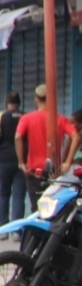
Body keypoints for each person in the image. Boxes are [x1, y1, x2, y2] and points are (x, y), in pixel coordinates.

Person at [16, 84, 82, 210]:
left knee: (37, 209)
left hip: (34, 171)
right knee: (54, 208)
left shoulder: (27, 118)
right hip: (54, 172)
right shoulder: (61, 119)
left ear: (36, 99)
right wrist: (67, 162)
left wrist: (21, 163)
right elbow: (76, 136)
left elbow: (18, 137)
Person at [0, 92, 27, 231]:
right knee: (19, 195)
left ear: (6, 103)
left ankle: (3, 229)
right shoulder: (25, 117)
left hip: (4, 159)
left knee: (3, 194)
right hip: (21, 160)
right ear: (19, 104)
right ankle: (17, 230)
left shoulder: (1, 117)